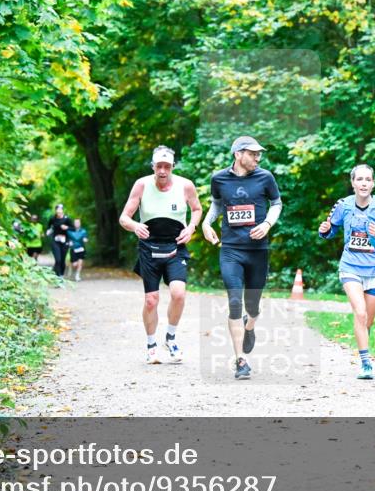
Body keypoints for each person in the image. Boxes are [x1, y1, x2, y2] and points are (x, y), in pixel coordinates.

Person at [202, 136, 282, 380]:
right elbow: (216, 204)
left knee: (253, 306)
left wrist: (267, 223)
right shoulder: (219, 179)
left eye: (259, 154)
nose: (258, 158)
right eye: (253, 153)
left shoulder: (265, 177)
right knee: (234, 300)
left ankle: (250, 326)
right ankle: (241, 360)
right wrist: (206, 223)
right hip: (231, 250)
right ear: (238, 154)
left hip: (258, 250)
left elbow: (277, 203)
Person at [118, 146, 202, 364]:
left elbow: (197, 209)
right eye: (159, 166)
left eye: (167, 166)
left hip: (176, 246)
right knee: (151, 301)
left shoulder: (185, 185)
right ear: (153, 166)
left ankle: (171, 338)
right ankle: (151, 345)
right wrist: (136, 225)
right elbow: (124, 218)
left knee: (179, 294)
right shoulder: (142, 185)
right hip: (149, 248)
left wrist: (191, 227)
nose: (162, 171)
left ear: (173, 167)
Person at [318, 164, 375, 379]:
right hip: (350, 267)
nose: (364, 183)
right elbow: (332, 229)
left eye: (368, 180)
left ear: (373, 184)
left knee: (368, 321)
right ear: (353, 183)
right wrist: (325, 231)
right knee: (360, 313)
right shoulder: (343, 205)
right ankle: (366, 363)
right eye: (360, 179)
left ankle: (363, 341)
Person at [46, 203, 72, 281]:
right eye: (58, 211)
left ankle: (61, 275)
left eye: (60, 211)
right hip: (55, 241)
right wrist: (48, 231)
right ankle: (58, 277)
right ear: (56, 211)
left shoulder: (67, 219)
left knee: (62, 260)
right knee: (58, 260)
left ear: (63, 211)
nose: (59, 212)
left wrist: (67, 227)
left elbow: (73, 228)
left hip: (65, 241)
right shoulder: (52, 218)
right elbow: (48, 227)